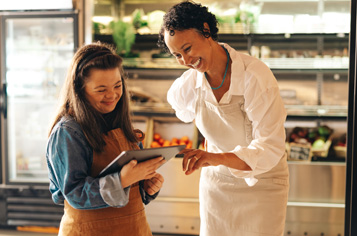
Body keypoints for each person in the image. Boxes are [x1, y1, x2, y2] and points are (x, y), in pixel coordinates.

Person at [158, 1, 289, 236]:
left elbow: (271, 147)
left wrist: (214, 156)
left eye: (187, 49)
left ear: (206, 30)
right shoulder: (189, 85)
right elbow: (182, 111)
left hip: (263, 185)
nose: (186, 61)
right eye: (177, 55)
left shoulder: (254, 76)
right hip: (217, 187)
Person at [46, 42, 166, 236]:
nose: (112, 95)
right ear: (79, 89)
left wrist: (146, 186)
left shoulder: (120, 121)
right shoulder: (68, 131)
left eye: (117, 85)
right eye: (101, 89)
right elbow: (74, 193)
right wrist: (122, 180)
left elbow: (131, 192)